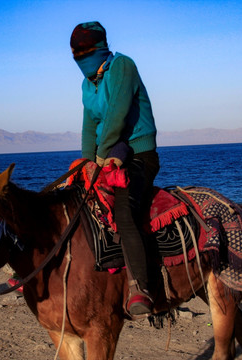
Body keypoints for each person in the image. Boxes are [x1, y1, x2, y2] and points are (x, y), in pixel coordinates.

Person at [70, 21, 160, 318]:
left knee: (124, 209)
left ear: (100, 49)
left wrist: (99, 157)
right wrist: (85, 163)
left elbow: (116, 117)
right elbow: (90, 125)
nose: (80, 58)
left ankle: (140, 287)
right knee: (73, 199)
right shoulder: (87, 84)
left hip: (138, 153)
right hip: (106, 153)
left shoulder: (122, 67)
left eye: (84, 52)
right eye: (75, 54)